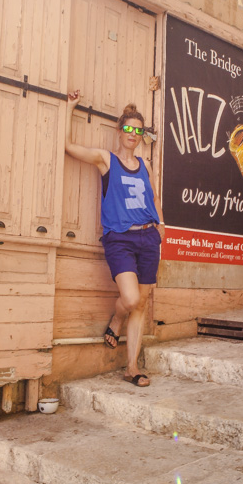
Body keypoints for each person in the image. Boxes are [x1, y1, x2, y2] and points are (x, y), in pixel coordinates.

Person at [65, 90, 164, 387]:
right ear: (120, 131)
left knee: (142, 303)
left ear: (141, 134)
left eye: (138, 130)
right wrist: (70, 108)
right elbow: (69, 147)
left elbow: (154, 197)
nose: (133, 134)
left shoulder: (145, 165)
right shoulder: (106, 160)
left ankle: (132, 368)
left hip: (149, 238)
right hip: (120, 239)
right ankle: (116, 318)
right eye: (128, 128)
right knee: (131, 299)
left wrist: (161, 226)